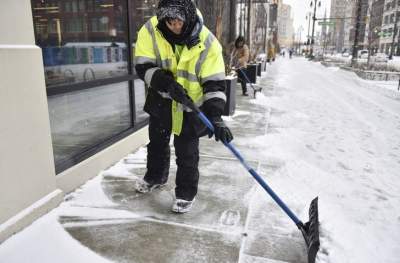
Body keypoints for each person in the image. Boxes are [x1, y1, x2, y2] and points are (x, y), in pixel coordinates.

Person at [133, 0, 233, 213]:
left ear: (188, 16)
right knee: (157, 143)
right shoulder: (151, 30)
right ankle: (155, 176)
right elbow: (143, 66)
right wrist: (166, 83)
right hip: (162, 100)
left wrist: (215, 117)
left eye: (179, 21)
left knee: (187, 153)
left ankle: (186, 193)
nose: (175, 26)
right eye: (169, 22)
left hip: (190, 107)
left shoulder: (208, 43)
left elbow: (214, 84)